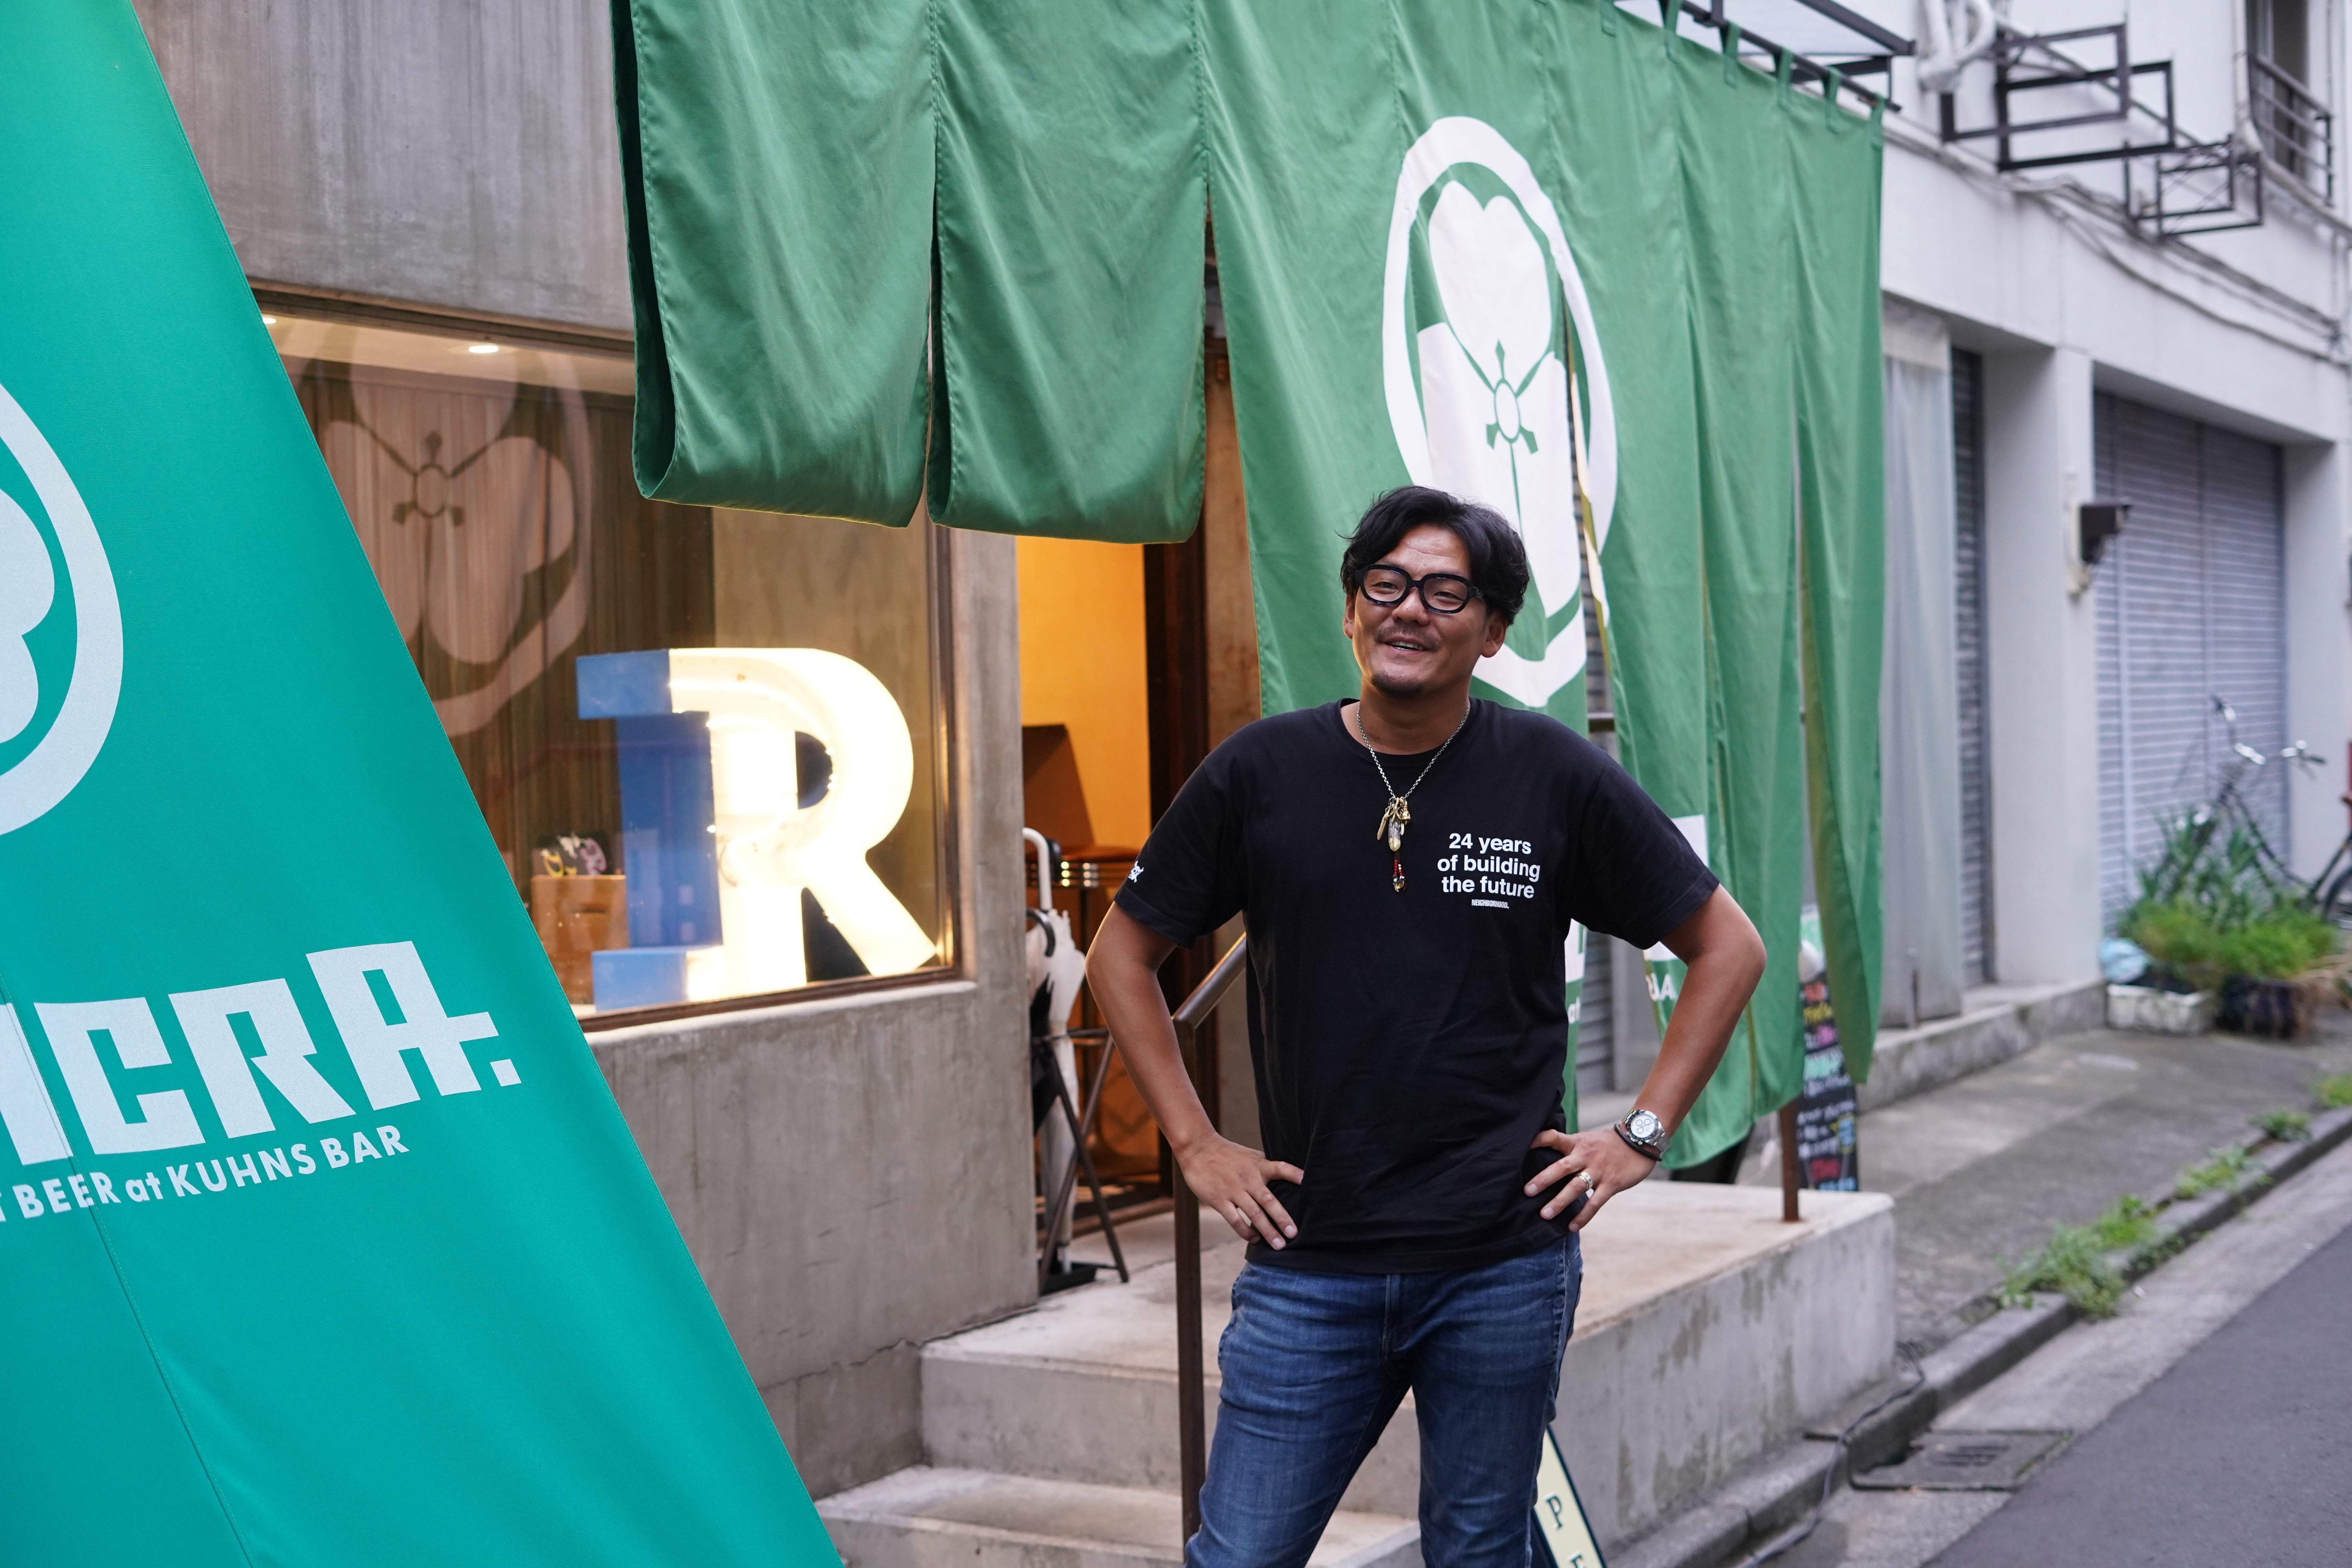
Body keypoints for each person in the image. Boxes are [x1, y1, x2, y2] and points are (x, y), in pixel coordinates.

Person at [1086, 485, 1767, 1568]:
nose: (1409, 608)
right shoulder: (1261, 772)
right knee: (1242, 1554)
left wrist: (1641, 1133)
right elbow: (1120, 955)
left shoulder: (1553, 774)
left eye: (1447, 592)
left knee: (1479, 1550)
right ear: (1351, 610)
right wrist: (1197, 1144)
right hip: (1310, 1261)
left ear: (1493, 632)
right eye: (1386, 584)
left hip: (1501, 1264)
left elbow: (1728, 947)